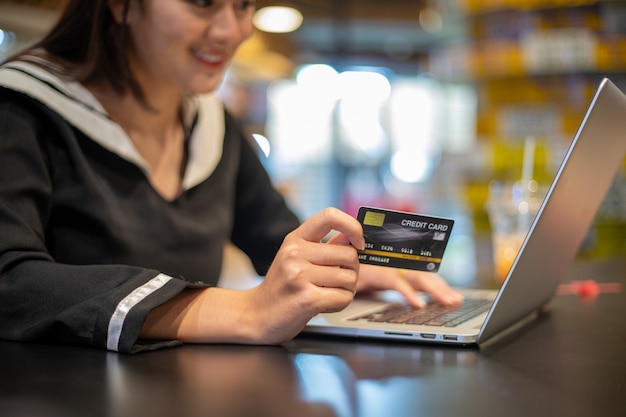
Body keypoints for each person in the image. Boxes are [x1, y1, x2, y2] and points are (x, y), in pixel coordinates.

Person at [0, 0, 462, 353]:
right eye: (202, 2)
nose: (230, 30)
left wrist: (363, 265)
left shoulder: (213, 123)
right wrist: (245, 311)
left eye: (243, 5)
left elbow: (279, 240)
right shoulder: (21, 106)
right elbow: (11, 281)